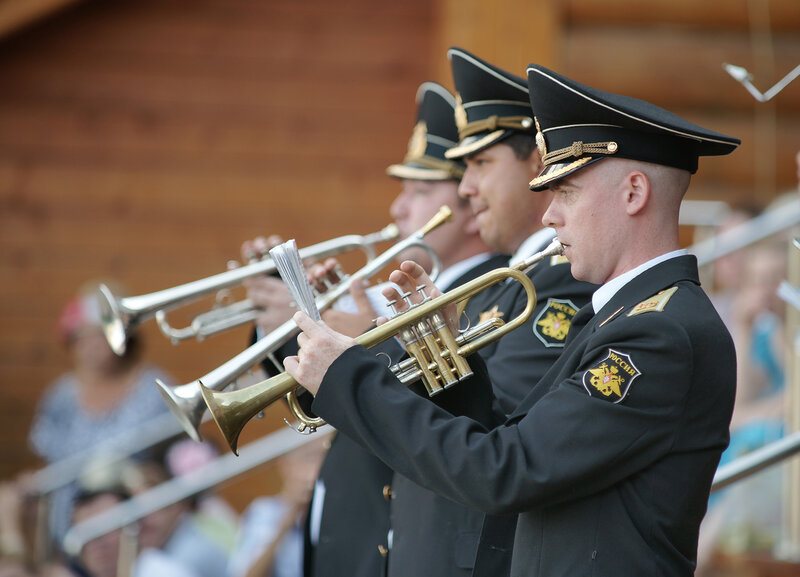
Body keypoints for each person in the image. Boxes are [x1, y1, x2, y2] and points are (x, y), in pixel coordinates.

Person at [283, 63, 741, 576]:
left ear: (633, 193)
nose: (548, 215)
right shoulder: (626, 316)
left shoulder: (657, 331)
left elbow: (508, 470)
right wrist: (449, 360)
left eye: (566, 192)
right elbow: (519, 443)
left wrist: (348, 377)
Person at [241, 81, 503, 577]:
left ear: (469, 205)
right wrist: (285, 321)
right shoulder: (412, 293)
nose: (398, 208)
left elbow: (470, 419)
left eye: (421, 191)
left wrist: (365, 339)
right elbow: (321, 396)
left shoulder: (488, 295)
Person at [382, 48, 596, 577]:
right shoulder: (498, 288)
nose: (465, 187)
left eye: (480, 164)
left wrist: (349, 373)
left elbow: (491, 423)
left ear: (538, 163)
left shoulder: (557, 283)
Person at [27, 285, 173, 546]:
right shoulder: (60, 395)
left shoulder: (154, 388)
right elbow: (47, 463)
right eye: (81, 337)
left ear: (124, 337)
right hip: (67, 532)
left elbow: (172, 463)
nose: (90, 347)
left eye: (99, 336)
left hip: (133, 532)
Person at [226, 435, 329, 577]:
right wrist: (288, 519)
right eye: (310, 458)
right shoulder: (264, 511)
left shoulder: (330, 504)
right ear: (286, 465)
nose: (318, 467)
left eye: (324, 457)